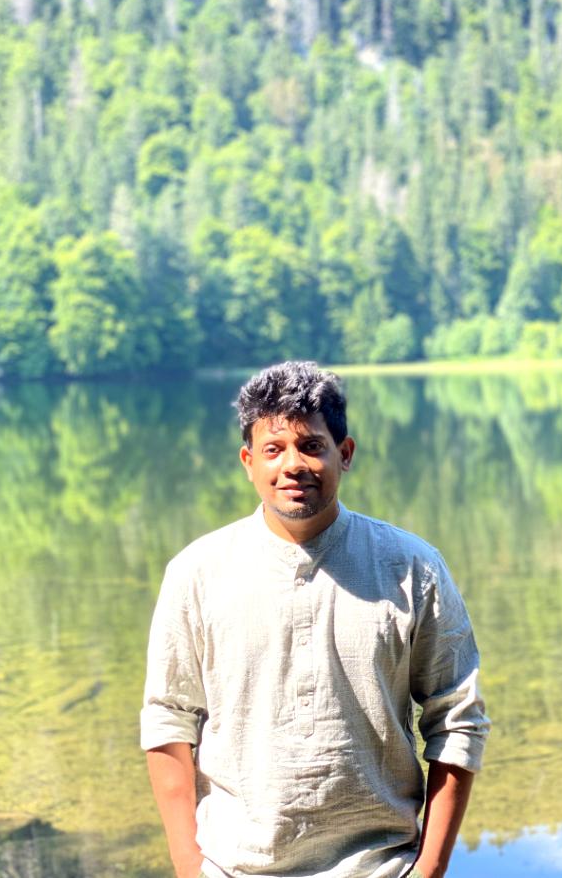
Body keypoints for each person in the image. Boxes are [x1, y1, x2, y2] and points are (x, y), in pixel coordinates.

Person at [141, 361, 489, 878]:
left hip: (381, 865)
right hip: (233, 866)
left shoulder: (412, 568)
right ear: (248, 461)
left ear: (344, 454)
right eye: (273, 449)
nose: (293, 465)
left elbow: (457, 717)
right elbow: (169, 718)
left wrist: (430, 867)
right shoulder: (198, 573)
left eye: (311, 445)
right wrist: (189, 866)